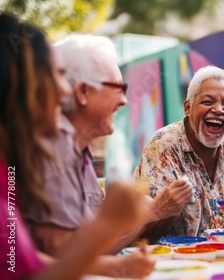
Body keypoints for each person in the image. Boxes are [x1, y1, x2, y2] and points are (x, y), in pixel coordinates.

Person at [0, 13, 148, 280]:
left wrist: (116, 267)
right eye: (54, 75)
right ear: (19, 83)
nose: (64, 89)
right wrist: (119, 220)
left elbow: (27, 263)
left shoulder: (7, 171)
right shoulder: (47, 151)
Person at [25, 34, 193, 259]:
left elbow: (96, 246)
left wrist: (145, 214)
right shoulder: (54, 147)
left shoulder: (80, 151)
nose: (124, 100)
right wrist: (152, 211)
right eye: (117, 87)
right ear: (83, 92)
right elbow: (63, 255)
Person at [134, 65, 224, 239]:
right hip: (168, 260)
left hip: (217, 257)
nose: (218, 109)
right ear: (188, 108)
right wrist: (168, 208)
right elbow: (145, 231)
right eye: (207, 101)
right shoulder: (164, 144)